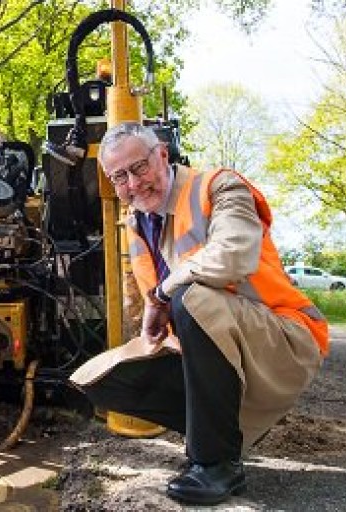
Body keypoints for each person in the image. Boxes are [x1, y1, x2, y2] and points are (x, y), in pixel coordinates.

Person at [70, 122, 329, 505]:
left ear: (162, 154)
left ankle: (216, 464)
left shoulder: (220, 187)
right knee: (98, 378)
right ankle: (224, 430)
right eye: (119, 177)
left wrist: (161, 295)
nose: (134, 184)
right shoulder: (136, 222)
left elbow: (233, 256)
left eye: (139, 167)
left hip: (284, 340)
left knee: (192, 298)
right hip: (220, 350)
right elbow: (143, 303)